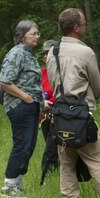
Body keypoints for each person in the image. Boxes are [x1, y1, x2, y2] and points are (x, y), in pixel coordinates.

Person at [46, 8, 100, 198]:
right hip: (81, 118)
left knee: (66, 164)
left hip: (59, 117)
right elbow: (97, 88)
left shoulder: (52, 53)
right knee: (98, 162)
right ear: (77, 28)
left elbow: (53, 85)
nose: (86, 26)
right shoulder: (85, 52)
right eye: (85, 23)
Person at [0, 20, 47, 197]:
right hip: (20, 106)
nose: (37, 37)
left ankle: (16, 185)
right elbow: (4, 81)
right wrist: (25, 97)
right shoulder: (17, 53)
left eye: (38, 33)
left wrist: (40, 102)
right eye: (34, 33)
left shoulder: (29, 54)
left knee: (29, 145)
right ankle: (9, 186)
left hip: (31, 107)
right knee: (22, 145)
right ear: (22, 35)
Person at [38, 40, 59, 183]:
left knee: (54, 149)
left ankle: (48, 177)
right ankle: (51, 177)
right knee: (51, 147)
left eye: (49, 53)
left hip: (61, 115)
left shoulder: (62, 72)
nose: (46, 56)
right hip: (45, 117)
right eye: (44, 53)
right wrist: (42, 103)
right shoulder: (41, 73)